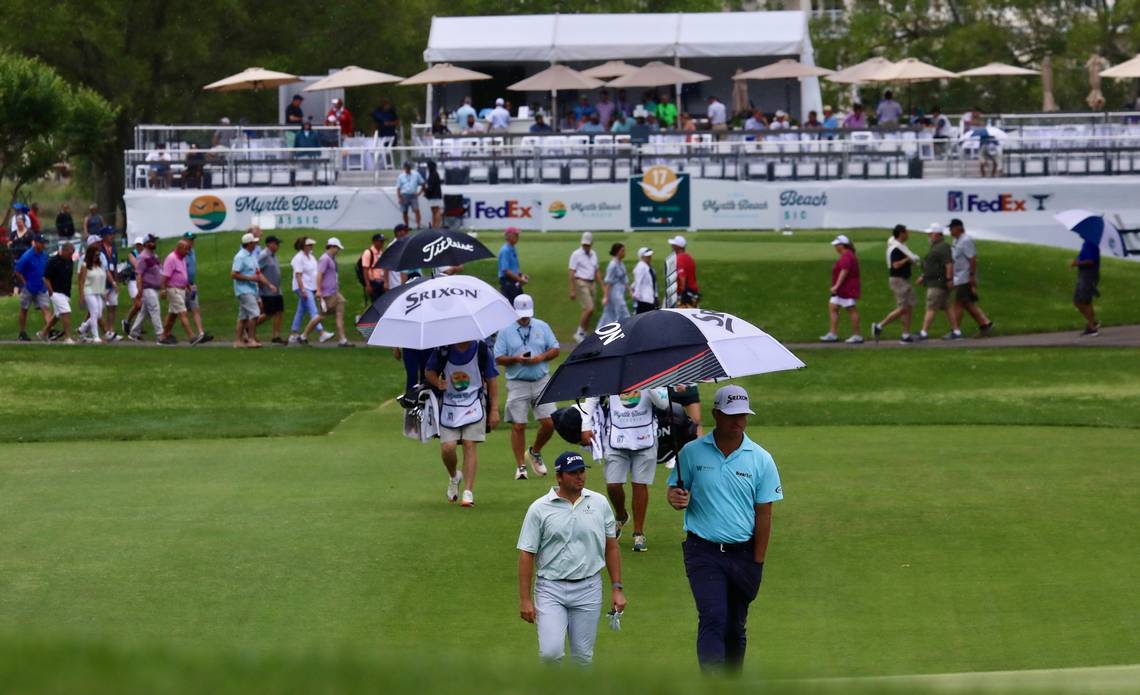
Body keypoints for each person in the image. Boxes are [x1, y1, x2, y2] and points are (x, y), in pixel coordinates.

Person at [666, 385, 783, 672]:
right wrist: (676, 498)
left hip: (743, 554)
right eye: (732, 415)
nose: (739, 421)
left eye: (743, 415)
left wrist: (758, 561)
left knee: (734, 626)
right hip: (703, 551)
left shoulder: (761, 459)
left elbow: (764, 515)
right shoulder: (692, 453)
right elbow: (674, 493)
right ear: (716, 414)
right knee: (714, 616)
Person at [517, 451, 625, 665]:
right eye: (573, 473)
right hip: (550, 589)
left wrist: (617, 587)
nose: (580, 477)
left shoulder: (599, 503)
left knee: (582, 658)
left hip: (588, 588)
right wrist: (525, 599)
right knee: (550, 654)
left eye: (582, 471)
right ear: (559, 477)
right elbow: (526, 554)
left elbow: (611, 547)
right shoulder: (539, 509)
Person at [582, 387, 669, 553]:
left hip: (645, 437)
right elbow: (592, 399)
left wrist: (648, 383)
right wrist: (585, 426)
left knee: (640, 484)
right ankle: (621, 515)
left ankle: (638, 533)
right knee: (613, 485)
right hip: (615, 436)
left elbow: (663, 404)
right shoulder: (612, 371)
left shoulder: (655, 373)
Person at [424, 339, 500, 508]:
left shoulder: (481, 349)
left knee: (469, 443)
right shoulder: (443, 349)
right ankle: (454, 477)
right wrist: (438, 382)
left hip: (474, 403)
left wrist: (494, 410)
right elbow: (429, 372)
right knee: (448, 448)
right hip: (449, 405)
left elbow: (492, 380)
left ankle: (468, 492)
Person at [495, 294, 560, 481]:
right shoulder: (505, 330)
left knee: (549, 423)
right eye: (521, 314)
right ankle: (521, 467)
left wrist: (541, 357)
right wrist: (516, 359)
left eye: (526, 314)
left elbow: (555, 348)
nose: (524, 317)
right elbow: (498, 357)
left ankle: (534, 451)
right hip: (517, 382)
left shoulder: (542, 326)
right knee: (519, 425)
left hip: (541, 380)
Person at [871, 225, 921, 343]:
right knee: (903, 308)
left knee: (909, 307)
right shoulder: (896, 249)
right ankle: (879, 326)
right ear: (901, 234)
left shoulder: (901, 247)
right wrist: (908, 259)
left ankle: (905, 335)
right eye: (906, 232)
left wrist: (910, 261)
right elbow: (895, 265)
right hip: (898, 280)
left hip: (903, 279)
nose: (908, 235)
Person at [947, 219, 994, 339]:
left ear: (958, 228)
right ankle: (985, 324)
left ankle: (955, 331)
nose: (950, 230)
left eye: (951, 228)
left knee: (958, 304)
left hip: (964, 277)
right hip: (958, 277)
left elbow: (972, 259)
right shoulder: (956, 241)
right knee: (967, 303)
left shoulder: (966, 240)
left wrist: (972, 276)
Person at [231, 232, 272, 348]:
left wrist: (269, 285)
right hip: (243, 290)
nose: (256, 244)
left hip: (252, 290)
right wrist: (250, 278)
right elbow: (233, 274)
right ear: (249, 244)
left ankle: (238, 341)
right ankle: (251, 339)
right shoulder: (240, 257)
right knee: (254, 313)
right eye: (254, 242)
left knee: (243, 317)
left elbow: (258, 274)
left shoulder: (252, 257)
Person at [819, 234, 863, 343]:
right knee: (833, 307)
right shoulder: (848, 255)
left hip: (846, 289)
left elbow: (844, 271)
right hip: (842, 290)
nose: (835, 248)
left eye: (836, 245)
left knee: (851, 309)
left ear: (842, 245)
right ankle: (832, 333)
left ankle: (857, 335)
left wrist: (836, 286)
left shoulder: (846, 256)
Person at [915, 223, 954, 341]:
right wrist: (924, 276)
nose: (928, 236)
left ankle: (924, 333)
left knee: (931, 308)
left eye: (930, 234)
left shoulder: (942, 247)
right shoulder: (938, 246)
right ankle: (956, 331)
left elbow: (948, 264)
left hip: (937, 284)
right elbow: (933, 266)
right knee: (947, 307)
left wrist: (949, 279)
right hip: (936, 281)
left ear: (937, 234)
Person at [311, 237, 353, 348]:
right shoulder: (325, 259)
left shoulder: (331, 259)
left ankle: (343, 339)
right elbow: (319, 274)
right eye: (337, 248)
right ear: (332, 247)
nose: (338, 250)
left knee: (340, 311)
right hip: (327, 293)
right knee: (321, 316)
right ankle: (304, 335)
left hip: (334, 292)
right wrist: (319, 290)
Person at [288, 238, 330, 345]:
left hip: (311, 287)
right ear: (303, 246)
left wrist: (317, 288)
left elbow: (315, 272)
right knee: (313, 309)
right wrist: (302, 290)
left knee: (301, 310)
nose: (311, 246)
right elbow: (298, 275)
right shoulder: (299, 258)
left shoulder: (311, 257)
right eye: (309, 245)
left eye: (312, 244)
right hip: (302, 287)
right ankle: (321, 333)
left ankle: (294, 334)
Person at [14, 234, 51, 341]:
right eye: (42, 243)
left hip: (41, 287)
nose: (44, 245)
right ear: (36, 243)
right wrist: (25, 283)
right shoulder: (27, 255)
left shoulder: (44, 255)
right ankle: (22, 332)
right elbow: (17, 271)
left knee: (46, 308)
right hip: (29, 288)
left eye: (44, 243)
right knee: (24, 309)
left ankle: (49, 330)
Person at [129, 235, 165, 342]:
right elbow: (138, 274)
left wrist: (163, 286)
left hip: (155, 287)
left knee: (144, 312)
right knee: (155, 309)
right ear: (146, 244)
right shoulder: (143, 257)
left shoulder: (154, 255)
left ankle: (133, 333)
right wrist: (140, 290)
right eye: (151, 241)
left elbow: (160, 271)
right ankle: (160, 335)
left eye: (154, 241)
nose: (154, 243)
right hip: (148, 288)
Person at [568, 232, 603, 342]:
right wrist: (572, 290)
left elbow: (596, 271)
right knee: (589, 308)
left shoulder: (594, 254)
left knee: (588, 310)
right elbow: (571, 272)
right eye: (584, 245)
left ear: (591, 244)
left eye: (588, 245)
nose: (586, 246)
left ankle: (583, 333)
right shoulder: (576, 254)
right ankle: (579, 332)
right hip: (581, 282)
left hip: (592, 283)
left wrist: (603, 286)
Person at [158, 240, 195, 345]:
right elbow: (165, 277)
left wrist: (187, 285)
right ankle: (191, 337)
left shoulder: (182, 258)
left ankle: (163, 336)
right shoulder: (171, 259)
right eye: (186, 249)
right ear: (179, 248)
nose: (187, 252)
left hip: (181, 290)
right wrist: (163, 289)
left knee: (172, 315)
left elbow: (183, 273)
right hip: (173, 289)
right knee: (183, 312)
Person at [180, 232, 212, 345]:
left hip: (192, 285)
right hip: (181, 287)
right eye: (189, 240)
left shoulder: (192, 251)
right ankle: (166, 333)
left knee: (195, 308)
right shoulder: (181, 254)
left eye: (192, 240)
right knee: (178, 312)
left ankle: (200, 333)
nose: (192, 242)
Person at [255, 235, 286, 344]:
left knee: (279, 312)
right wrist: (261, 287)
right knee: (269, 313)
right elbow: (256, 272)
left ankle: (276, 336)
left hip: (277, 290)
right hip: (267, 291)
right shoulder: (263, 256)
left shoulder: (274, 256)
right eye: (276, 243)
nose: (278, 246)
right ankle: (249, 327)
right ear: (269, 244)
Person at [42, 243, 76, 344]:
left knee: (57, 315)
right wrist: (51, 291)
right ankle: (68, 337)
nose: (71, 256)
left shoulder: (69, 261)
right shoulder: (53, 261)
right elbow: (45, 278)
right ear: (64, 251)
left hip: (65, 292)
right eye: (70, 253)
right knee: (66, 311)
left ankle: (43, 333)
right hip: (55, 291)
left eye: (72, 254)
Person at [77, 243, 111, 343]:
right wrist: (81, 295)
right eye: (95, 255)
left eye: (98, 255)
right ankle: (96, 336)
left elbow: (101, 279)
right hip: (88, 291)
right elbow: (81, 281)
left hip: (98, 292)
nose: (97, 257)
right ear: (90, 255)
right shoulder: (85, 266)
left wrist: (103, 292)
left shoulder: (99, 266)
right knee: (94, 312)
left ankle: (82, 329)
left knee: (99, 314)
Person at [1072, 235, 1101, 337]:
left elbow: (1090, 261)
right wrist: (1077, 260)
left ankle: (1092, 327)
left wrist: (1078, 263)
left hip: (1088, 276)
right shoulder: (1086, 243)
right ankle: (1092, 323)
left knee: (1081, 301)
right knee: (1082, 301)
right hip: (1084, 276)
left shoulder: (1091, 244)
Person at [96, 228, 123, 342]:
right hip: (103, 282)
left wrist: (116, 281)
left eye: (112, 234)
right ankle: (98, 330)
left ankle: (110, 329)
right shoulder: (100, 249)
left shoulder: (114, 249)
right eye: (109, 235)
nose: (112, 236)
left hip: (112, 281)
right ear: (104, 236)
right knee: (99, 308)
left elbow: (115, 266)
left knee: (113, 306)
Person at [599, 242, 631, 327]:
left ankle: (606, 327)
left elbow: (625, 279)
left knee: (611, 312)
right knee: (621, 309)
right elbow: (608, 282)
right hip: (614, 291)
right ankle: (625, 326)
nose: (624, 252)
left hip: (620, 291)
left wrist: (630, 290)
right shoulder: (612, 265)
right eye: (622, 251)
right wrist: (605, 296)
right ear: (618, 252)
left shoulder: (621, 264)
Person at [498, 226, 528, 304]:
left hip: (513, 281)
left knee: (520, 304)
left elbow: (513, 268)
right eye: (516, 235)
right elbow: (506, 270)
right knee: (513, 305)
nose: (518, 237)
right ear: (508, 236)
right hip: (508, 282)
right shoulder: (505, 250)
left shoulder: (512, 248)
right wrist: (519, 279)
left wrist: (521, 275)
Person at [669, 235, 700, 308]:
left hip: (685, 296)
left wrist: (682, 295)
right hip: (693, 294)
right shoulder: (689, 257)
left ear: (678, 246)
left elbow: (682, 277)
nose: (672, 246)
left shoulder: (679, 258)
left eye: (674, 245)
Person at [396, 161, 425, 229]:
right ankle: (406, 226)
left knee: (416, 210)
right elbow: (398, 188)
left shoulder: (416, 174)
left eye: (409, 168)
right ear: (404, 168)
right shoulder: (401, 176)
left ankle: (418, 225)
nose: (408, 169)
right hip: (404, 195)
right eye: (407, 168)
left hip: (413, 195)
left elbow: (423, 183)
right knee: (404, 211)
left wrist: (419, 193)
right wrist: (399, 198)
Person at [361, 232, 387, 303]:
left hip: (381, 282)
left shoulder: (381, 252)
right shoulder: (368, 252)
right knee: (376, 303)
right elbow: (365, 270)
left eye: (383, 241)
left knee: (383, 303)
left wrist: (385, 282)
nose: (382, 243)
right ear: (375, 242)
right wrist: (368, 285)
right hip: (373, 283)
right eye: (380, 241)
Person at [631, 246, 658, 314]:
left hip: (649, 299)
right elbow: (638, 282)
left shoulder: (647, 266)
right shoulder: (641, 267)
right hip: (644, 301)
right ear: (642, 257)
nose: (650, 257)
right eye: (647, 256)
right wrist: (636, 297)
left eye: (650, 255)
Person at [424, 161, 443, 228]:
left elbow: (431, 186)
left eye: (428, 166)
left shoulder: (433, 174)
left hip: (435, 195)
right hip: (434, 195)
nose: (427, 168)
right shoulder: (433, 173)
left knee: (436, 210)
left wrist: (426, 191)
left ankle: (437, 225)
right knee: (433, 211)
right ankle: (434, 225)